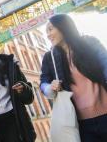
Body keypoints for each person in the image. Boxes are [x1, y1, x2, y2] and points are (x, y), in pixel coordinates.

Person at [40, 14, 107, 142]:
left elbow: (105, 63)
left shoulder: (89, 42)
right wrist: (50, 87)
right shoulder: (49, 58)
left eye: (50, 29)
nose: (48, 35)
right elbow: (43, 83)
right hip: (81, 124)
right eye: (46, 31)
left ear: (63, 26)